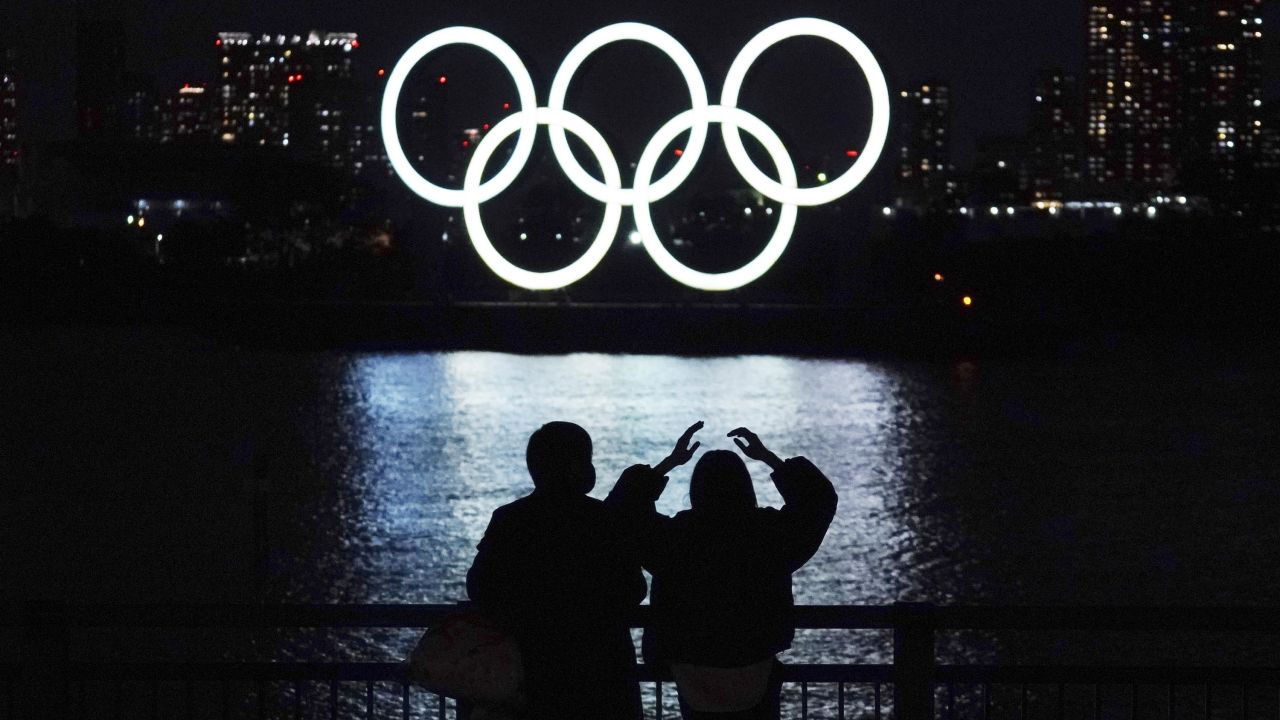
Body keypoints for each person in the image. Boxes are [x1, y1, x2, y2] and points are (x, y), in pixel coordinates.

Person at [465, 420, 703, 720]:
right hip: (604, 674)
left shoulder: (509, 520)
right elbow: (632, 589)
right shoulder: (603, 521)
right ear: (578, 466)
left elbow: (481, 588)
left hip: (530, 674)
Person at [613, 426, 837, 720]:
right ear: (745, 488)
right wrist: (768, 458)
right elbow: (817, 500)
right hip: (755, 663)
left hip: (692, 668)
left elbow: (622, 512)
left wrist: (669, 462)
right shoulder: (768, 536)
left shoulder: (676, 538)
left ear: (697, 490)